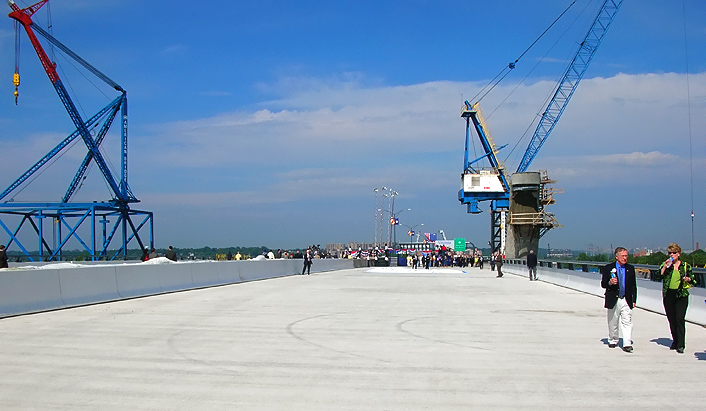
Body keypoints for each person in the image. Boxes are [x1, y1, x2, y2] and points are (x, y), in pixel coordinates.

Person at [656, 243, 697, 354]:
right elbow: (658, 276)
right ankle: (675, 340)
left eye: (674, 253)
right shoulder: (666, 265)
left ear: (678, 254)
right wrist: (664, 267)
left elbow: (694, 280)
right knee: (672, 319)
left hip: (681, 295)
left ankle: (681, 344)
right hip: (669, 295)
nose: (672, 255)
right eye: (670, 253)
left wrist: (688, 279)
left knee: (679, 319)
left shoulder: (685, 266)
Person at [600, 247, 637, 352]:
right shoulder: (608, 268)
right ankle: (613, 339)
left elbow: (633, 286)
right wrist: (610, 283)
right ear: (617, 257)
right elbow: (603, 284)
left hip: (626, 299)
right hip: (613, 299)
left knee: (627, 322)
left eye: (626, 256)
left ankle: (627, 343)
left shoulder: (630, 268)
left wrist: (634, 300)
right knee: (613, 321)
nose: (625, 258)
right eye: (623, 256)